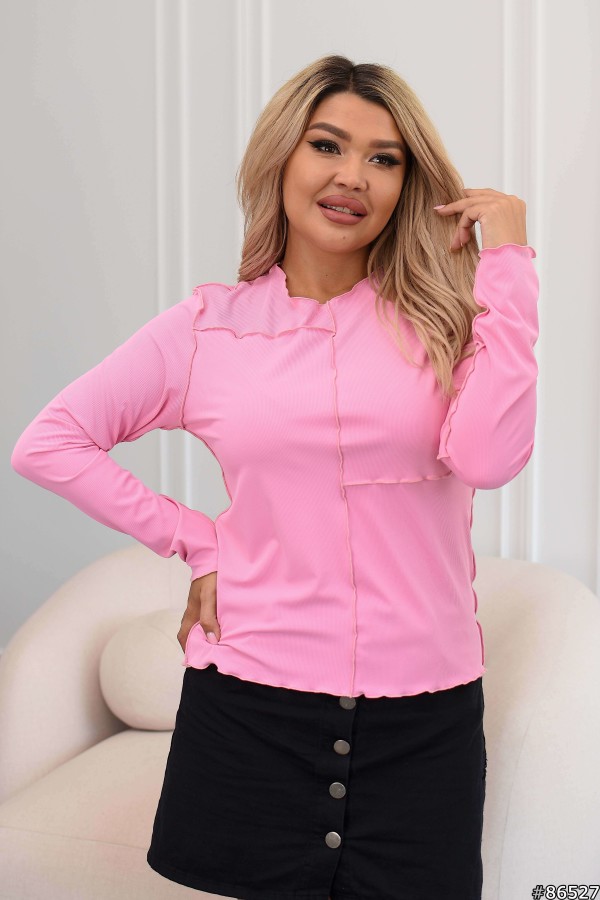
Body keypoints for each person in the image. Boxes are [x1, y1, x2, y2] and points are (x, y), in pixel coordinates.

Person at [11, 54, 539, 900]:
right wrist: (198, 540)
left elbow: (488, 458)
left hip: (425, 717)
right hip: (252, 707)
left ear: (406, 184)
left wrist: (508, 266)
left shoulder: (448, 319)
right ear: (281, 157)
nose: (351, 175)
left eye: (383, 158)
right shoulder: (207, 329)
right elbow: (51, 441)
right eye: (327, 145)